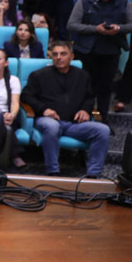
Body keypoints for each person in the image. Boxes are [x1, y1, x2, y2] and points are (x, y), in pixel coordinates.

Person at [21, 40, 109, 177]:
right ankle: (53, 171)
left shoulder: (82, 76)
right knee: (52, 126)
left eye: (63, 54)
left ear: (71, 57)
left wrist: (85, 110)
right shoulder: (39, 75)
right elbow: (26, 96)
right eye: (55, 54)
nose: (58, 57)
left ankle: (94, 174)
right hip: (48, 120)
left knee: (103, 130)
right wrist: (44, 109)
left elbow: (90, 97)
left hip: (74, 123)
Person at [67, 0, 131, 121]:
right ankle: (82, 117)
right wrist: (95, 29)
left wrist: (119, 28)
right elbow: (71, 24)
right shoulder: (85, 1)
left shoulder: (123, 1)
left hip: (111, 50)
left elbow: (130, 23)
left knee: (106, 88)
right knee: (85, 86)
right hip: (87, 51)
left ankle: (103, 118)